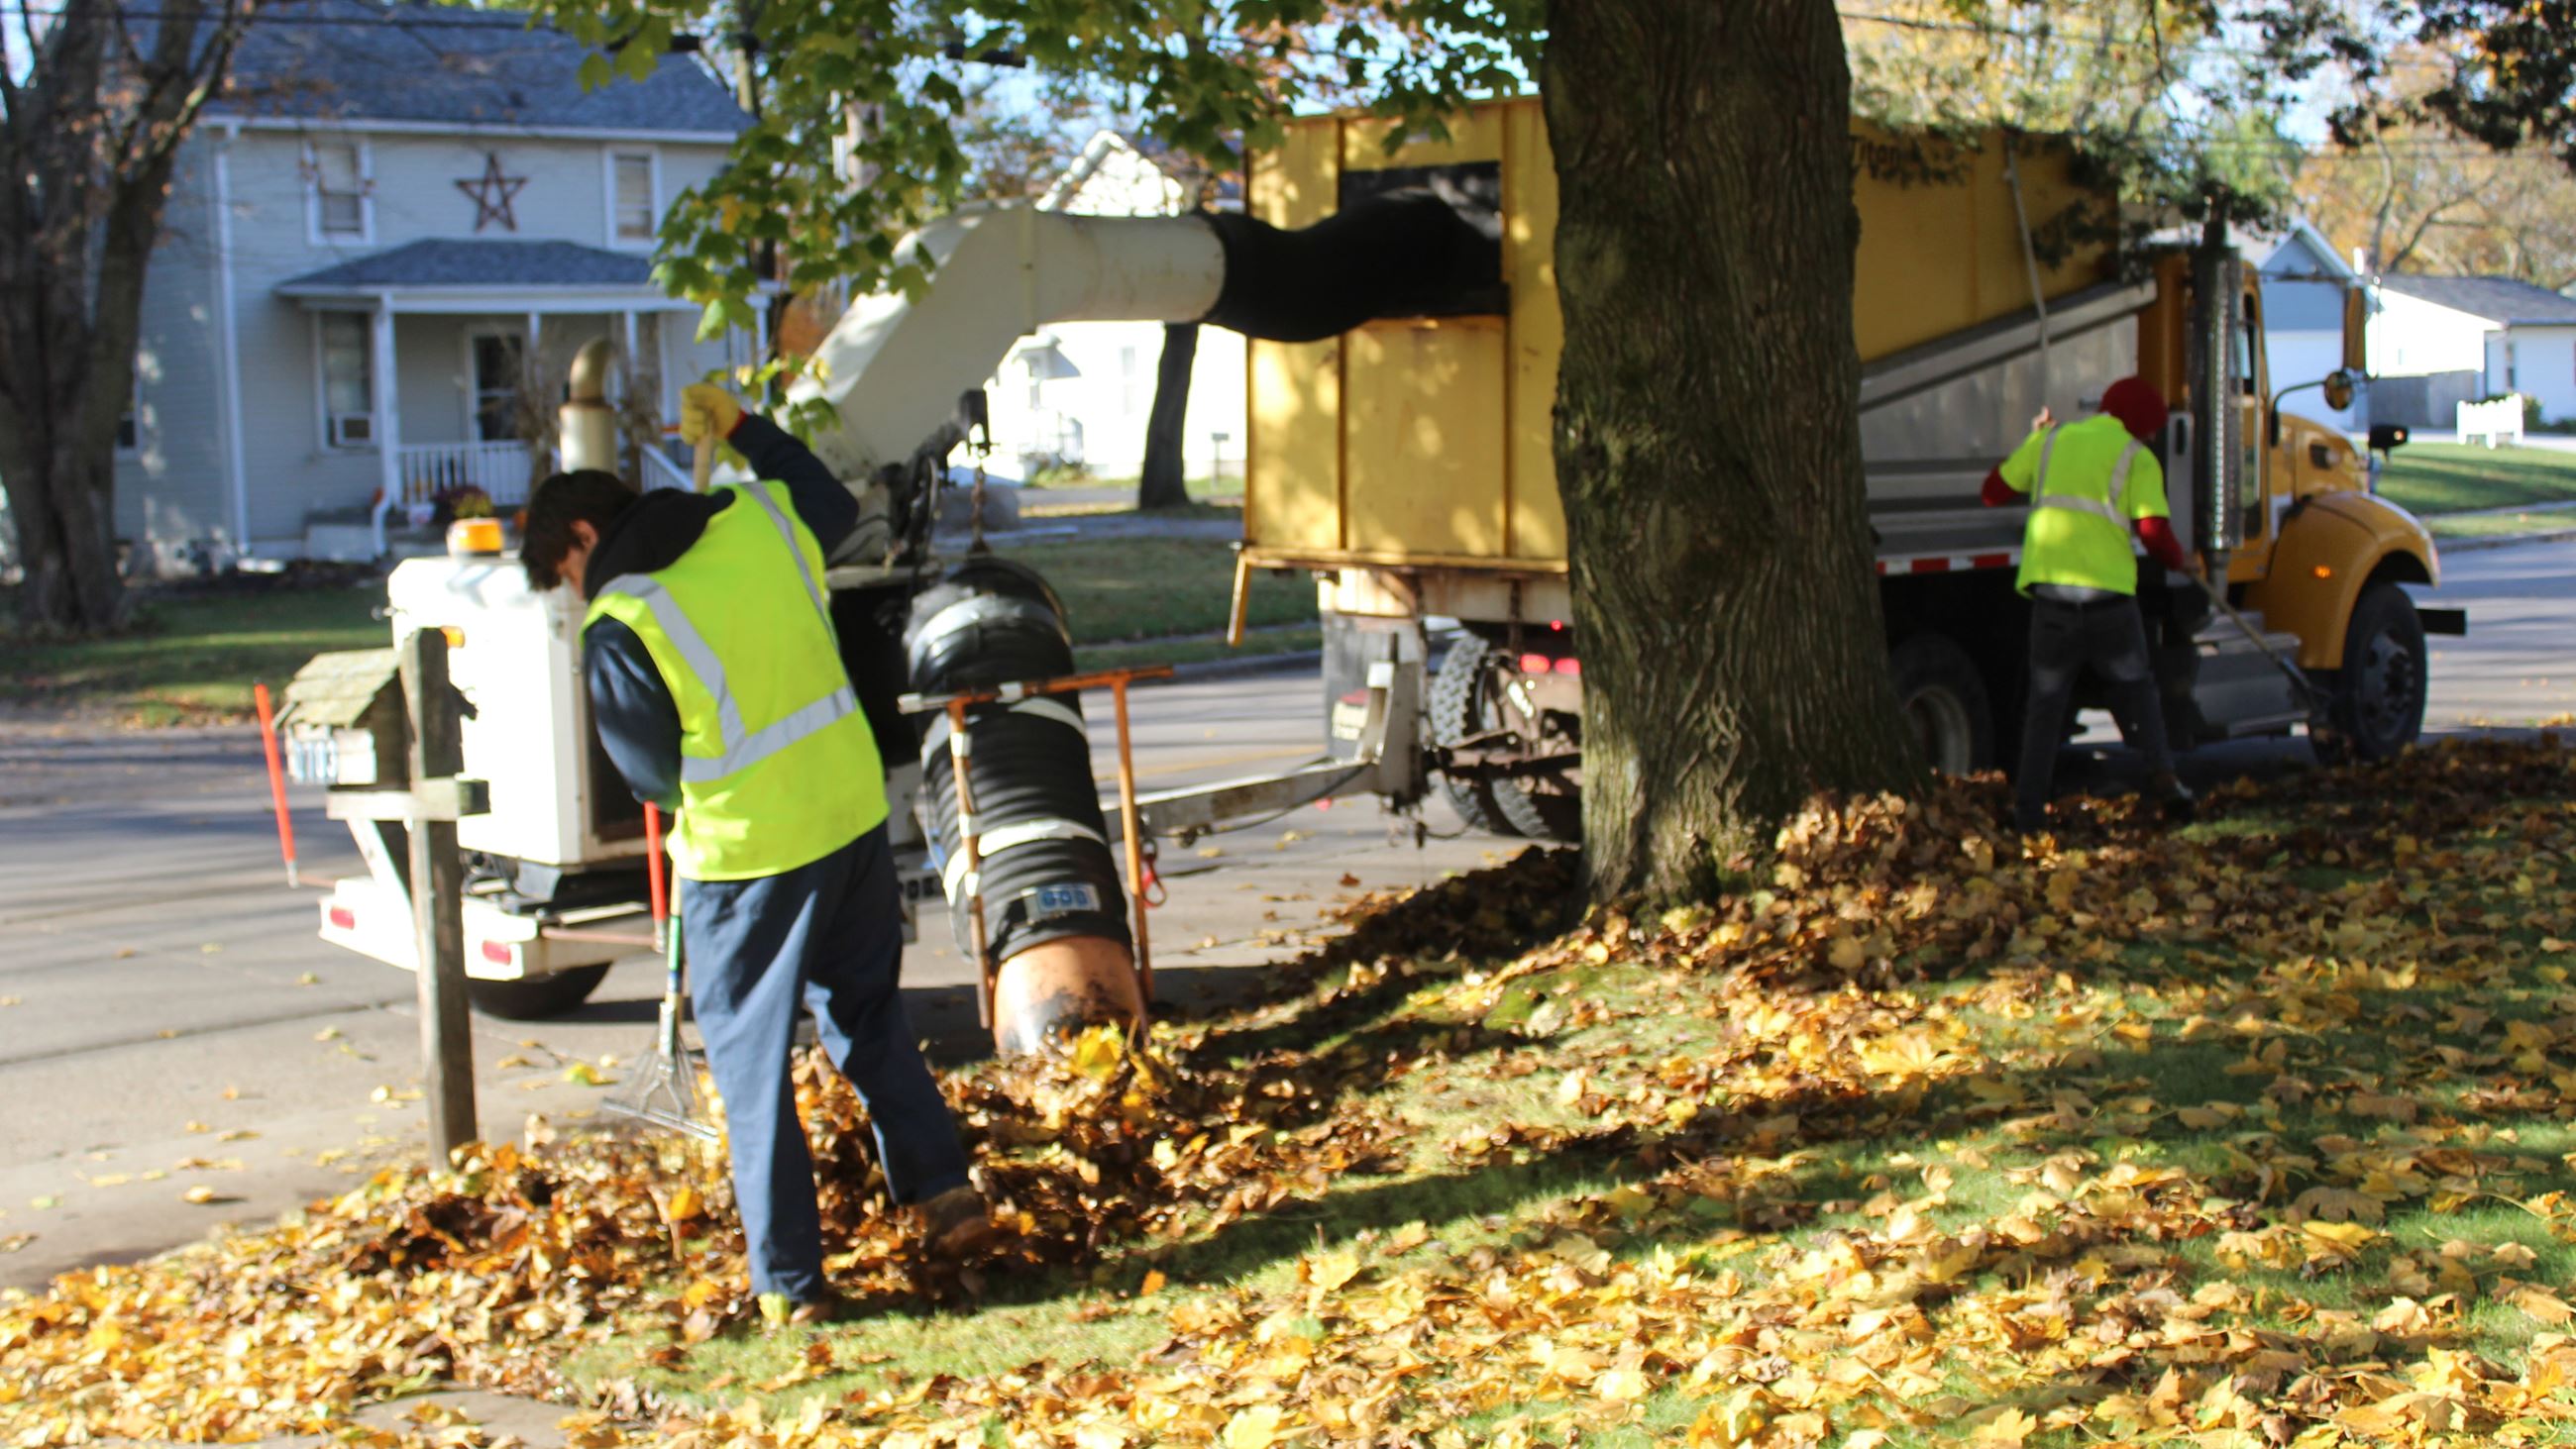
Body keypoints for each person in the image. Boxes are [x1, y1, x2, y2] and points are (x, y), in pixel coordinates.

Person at [521, 383, 989, 1327]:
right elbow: (824, 493)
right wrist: (741, 427)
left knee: (752, 1069)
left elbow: (650, 773)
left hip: (745, 861)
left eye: (566, 571)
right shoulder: (758, 519)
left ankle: (791, 1284)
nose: (578, 592)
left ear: (582, 535)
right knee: (865, 1018)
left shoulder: (622, 620)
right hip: (850, 817)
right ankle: (945, 1192)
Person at [1982, 375, 2199, 834]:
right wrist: (2184, 563)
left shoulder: (2050, 441)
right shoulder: (2136, 457)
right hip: (2108, 602)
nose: (2154, 436)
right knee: (2139, 694)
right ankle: (2167, 783)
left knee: (2044, 709)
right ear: (2138, 424)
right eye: (2152, 428)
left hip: (2052, 601)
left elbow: (1993, 491)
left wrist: (2036, 438)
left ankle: (2028, 812)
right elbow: (2153, 532)